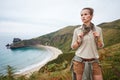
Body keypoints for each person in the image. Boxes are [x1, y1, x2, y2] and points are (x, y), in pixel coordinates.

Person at [71, 7, 104, 80]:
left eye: (85, 14)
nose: (83, 16)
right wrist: (79, 40)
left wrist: (98, 38)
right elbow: (73, 47)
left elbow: (100, 46)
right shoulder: (77, 30)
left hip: (94, 61)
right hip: (79, 61)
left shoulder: (98, 29)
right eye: (81, 15)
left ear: (91, 16)